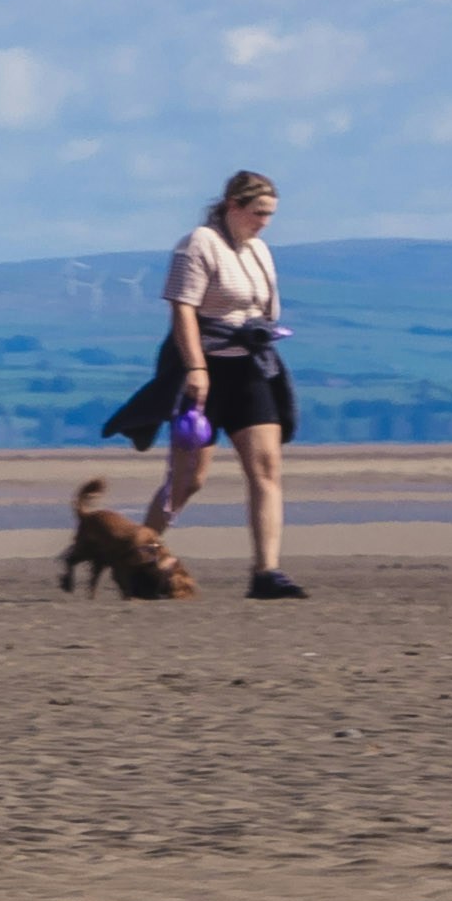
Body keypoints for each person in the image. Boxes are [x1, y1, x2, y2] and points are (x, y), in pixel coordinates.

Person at [136, 169, 300, 592]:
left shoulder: (259, 250)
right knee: (189, 479)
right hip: (203, 370)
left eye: (270, 214)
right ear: (233, 206)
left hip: (250, 367)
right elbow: (183, 310)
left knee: (267, 468)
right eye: (258, 212)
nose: (264, 221)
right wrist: (195, 368)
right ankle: (138, 558)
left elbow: (264, 309)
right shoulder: (198, 245)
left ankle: (266, 572)